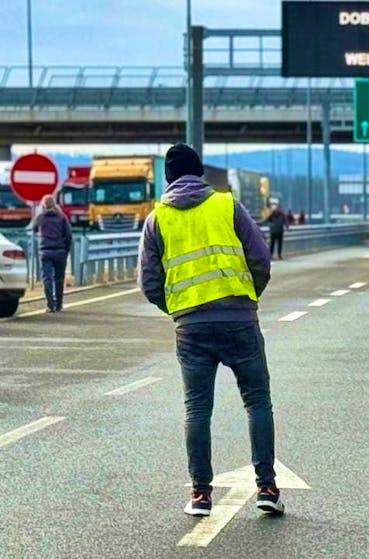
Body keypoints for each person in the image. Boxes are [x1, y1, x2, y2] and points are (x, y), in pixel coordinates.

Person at [138, 143, 284, 517]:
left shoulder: (157, 220)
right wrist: (248, 297)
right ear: (200, 172)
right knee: (257, 401)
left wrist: (178, 309)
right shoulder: (227, 204)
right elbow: (260, 258)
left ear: (169, 179)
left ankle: (201, 494)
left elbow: (149, 282)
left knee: (198, 409)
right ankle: (267, 487)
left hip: (191, 328)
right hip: (239, 320)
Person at [33, 194, 73, 312]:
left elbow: (34, 229)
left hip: (45, 251)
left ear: (43, 205)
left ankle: (50, 305)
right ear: (54, 204)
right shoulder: (62, 217)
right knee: (59, 278)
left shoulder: (40, 217)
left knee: (47, 278)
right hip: (60, 251)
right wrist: (66, 249)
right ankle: (59, 304)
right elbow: (69, 235)